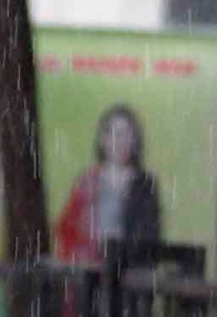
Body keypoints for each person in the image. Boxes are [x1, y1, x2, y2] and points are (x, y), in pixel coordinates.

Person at [56, 104, 163, 264]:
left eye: (127, 134)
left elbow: (149, 235)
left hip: (129, 271)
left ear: (135, 141)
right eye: (114, 134)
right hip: (89, 270)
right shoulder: (87, 181)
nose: (121, 141)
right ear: (103, 140)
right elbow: (67, 229)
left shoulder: (145, 184)